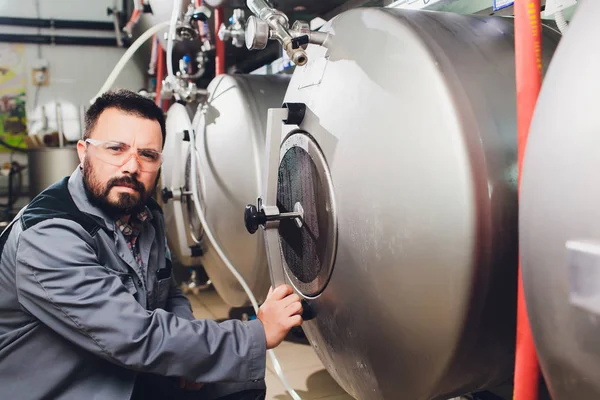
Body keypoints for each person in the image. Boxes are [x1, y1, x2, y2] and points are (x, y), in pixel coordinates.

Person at [0, 89, 303, 400]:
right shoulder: (48, 236)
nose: (131, 167)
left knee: (238, 382)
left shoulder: (145, 213)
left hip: (121, 367)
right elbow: (133, 337)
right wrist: (256, 333)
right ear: (83, 152)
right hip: (66, 384)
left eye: (147, 154)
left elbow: (168, 292)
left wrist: (189, 363)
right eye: (115, 149)